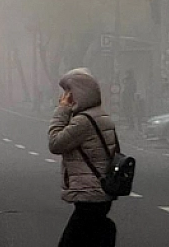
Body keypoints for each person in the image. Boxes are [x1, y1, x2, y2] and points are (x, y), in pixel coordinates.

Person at [49, 68, 118, 247]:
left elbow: (55, 143)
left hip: (90, 195)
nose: (65, 97)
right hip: (100, 191)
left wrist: (62, 110)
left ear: (80, 93)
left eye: (68, 92)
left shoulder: (83, 121)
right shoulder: (101, 115)